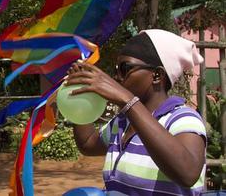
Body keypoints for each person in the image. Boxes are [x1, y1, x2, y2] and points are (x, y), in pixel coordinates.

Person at [66, 29, 206, 195]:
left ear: (157, 75)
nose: (117, 77)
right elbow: (88, 144)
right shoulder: (123, 121)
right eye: (116, 69)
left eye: (125, 68)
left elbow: (188, 173)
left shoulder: (182, 118)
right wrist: (80, 102)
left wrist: (127, 100)